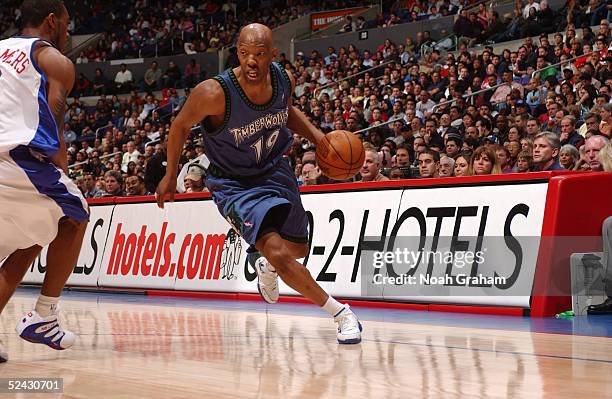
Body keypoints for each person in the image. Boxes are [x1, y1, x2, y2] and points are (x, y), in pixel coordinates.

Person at [156, 24, 362, 344]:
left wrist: (321, 141)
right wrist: (170, 174)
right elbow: (180, 126)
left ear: (273, 55)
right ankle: (341, 314)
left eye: (260, 54)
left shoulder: (284, 78)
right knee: (280, 251)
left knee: (296, 250)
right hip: (234, 184)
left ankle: (264, 263)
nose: (251, 61)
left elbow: (286, 111)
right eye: (244, 53)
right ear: (237, 52)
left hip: (274, 168)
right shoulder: (213, 93)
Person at [0, 0, 89, 363]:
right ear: (52, 21)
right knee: (75, 213)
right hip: (18, 160)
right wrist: (62, 170)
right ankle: (44, 314)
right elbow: (53, 124)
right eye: (67, 23)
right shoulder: (53, 60)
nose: (68, 31)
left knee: (32, 239)